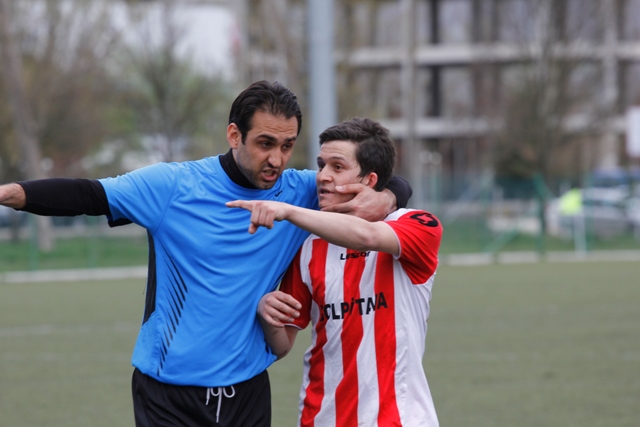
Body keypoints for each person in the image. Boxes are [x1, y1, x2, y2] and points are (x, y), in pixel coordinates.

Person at [0, 81, 411, 427]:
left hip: (249, 390)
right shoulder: (173, 186)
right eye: (265, 143)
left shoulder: (300, 190)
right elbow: (86, 194)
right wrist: (9, 195)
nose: (276, 159)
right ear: (235, 135)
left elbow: (390, 179)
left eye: (287, 146)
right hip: (168, 394)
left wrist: (386, 196)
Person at [227, 117, 443, 427]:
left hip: (401, 419)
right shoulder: (309, 246)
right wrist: (268, 315)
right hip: (321, 418)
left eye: (337, 167)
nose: (323, 176)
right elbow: (282, 344)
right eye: (321, 165)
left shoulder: (418, 225)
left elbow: (367, 236)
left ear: (368, 180)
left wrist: (287, 211)